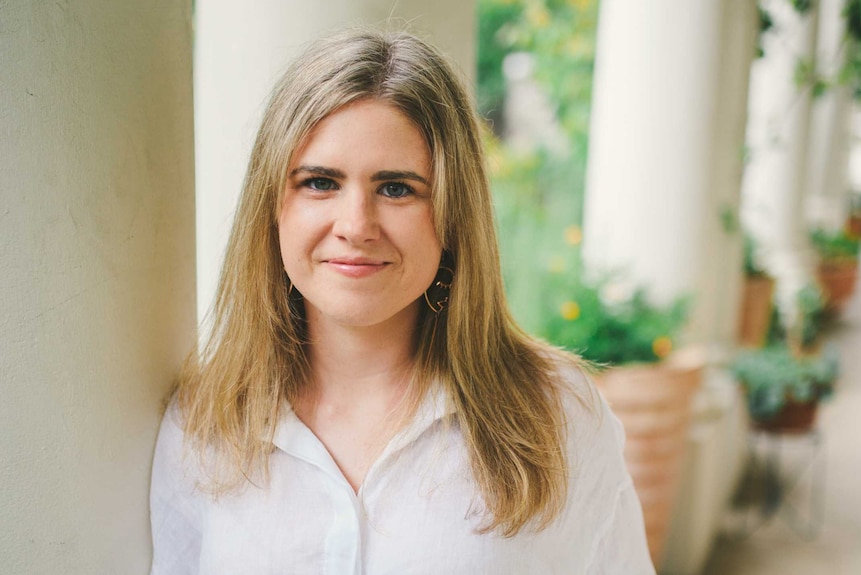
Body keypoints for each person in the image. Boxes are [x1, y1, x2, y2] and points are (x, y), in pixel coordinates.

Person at [150, 28, 655, 574]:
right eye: (320, 182)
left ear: (453, 214)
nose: (355, 226)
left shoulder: (558, 413)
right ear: (273, 206)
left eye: (396, 188)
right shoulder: (204, 420)